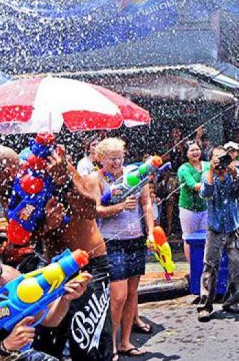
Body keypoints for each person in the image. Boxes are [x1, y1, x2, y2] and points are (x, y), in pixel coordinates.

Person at [32, 144, 116, 361]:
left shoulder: (66, 170)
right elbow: (29, 234)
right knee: (53, 334)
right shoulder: (29, 180)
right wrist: (47, 224)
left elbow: (90, 209)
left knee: (91, 338)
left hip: (89, 263)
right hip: (54, 268)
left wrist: (65, 180)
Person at [93, 138, 154, 358]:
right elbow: (96, 210)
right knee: (117, 296)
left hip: (135, 238)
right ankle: (110, 343)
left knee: (131, 293)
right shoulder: (97, 179)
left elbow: (146, 203)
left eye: (120, 157)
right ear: (101, 158)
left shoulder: (136, 174)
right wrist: (119, 207)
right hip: (111, 241)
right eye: (112, 158)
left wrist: (151, 231)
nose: (117, 162)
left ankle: (126, 342)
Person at [196, 147, 239, 322]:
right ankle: (205, 305)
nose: (220, 162)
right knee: (210, 267)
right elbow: (205, 193)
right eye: (216, 159)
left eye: (223, 158)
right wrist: (212, 172)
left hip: (234, 227)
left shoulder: (233, 172)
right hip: (215, 228)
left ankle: (231, 301)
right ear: (211, 160)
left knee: (236, 266)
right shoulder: (207, 175)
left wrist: (235, 175)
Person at [176, 141, 209, 261]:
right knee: (189, 238)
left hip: (205, 208)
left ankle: (204, 265)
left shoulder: (207, 165)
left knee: (206, 237)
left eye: (197, 149)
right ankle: (192, 268)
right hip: (188, 209)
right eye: (191, 150)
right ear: (186, 154)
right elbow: (193, 186)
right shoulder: (183, 169)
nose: (195, 152)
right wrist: (210, 184)